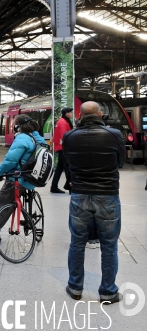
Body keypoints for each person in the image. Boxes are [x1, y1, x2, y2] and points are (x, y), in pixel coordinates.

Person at [63, 101, 125, 304]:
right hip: (107, 196)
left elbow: (68, 164)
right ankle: (108, 291)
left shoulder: (70, 136)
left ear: (79, 115)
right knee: (109, 246)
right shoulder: (114, 134)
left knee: (77, 243)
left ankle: (75, 287)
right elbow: (120, 163)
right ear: (100, 114)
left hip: (79, 196)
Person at [0, 114, 46, 249]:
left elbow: (10, 161)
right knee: (8, 203)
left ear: (18, 126)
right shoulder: (38, 138)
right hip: (32, 180)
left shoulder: (22, 139)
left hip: (18, 179)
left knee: (1, 205)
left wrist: (0, 172)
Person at [51, 107, 74, 193]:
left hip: (60, 147)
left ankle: (53, 187)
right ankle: (71, 187)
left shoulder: (62, 121)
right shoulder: (63, 122)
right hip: (63, 147)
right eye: (70, 113)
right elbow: (64, 136)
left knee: (59, 168)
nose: (71, 114)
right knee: (67, 167)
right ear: (66, 113)